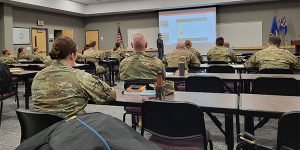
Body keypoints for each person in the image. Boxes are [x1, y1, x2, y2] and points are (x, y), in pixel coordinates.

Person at [31, 36, 116, 117]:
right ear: (72, 55)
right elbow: (108, 95)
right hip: (71, 128)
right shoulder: (79, 76)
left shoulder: (38, 76)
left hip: (43, 129)